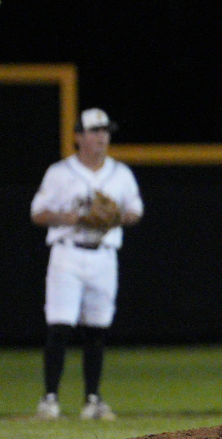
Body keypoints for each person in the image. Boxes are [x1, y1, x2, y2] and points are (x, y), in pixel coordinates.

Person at [29, 108, 144, 421]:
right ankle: (50, 399)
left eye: (105, 130)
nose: (101, 136)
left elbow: (135, 212)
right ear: (79, 136)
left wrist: (115, 216)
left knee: (96, 328)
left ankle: (92, 400)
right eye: (94, 130)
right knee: (60, 325)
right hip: (67, 252)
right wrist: (69, 217)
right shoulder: (60, 172)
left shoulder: (120, 174)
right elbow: (37, 213)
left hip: (104, 256)